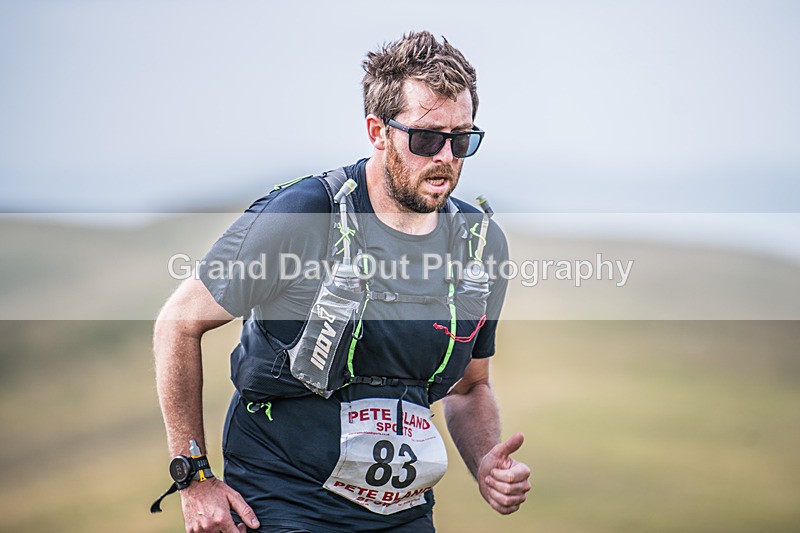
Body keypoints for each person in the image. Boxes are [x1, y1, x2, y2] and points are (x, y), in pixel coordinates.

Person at [154, 31, 531, 533]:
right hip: (284, 505)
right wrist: (193, 476)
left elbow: (469, 387)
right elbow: (177, 323)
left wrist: (485, 461)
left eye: (461, 139)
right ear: (378, 131)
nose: (445, 156)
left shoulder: (480, 245)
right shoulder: (305, 214)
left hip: (404, 515)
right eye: (425, 139)